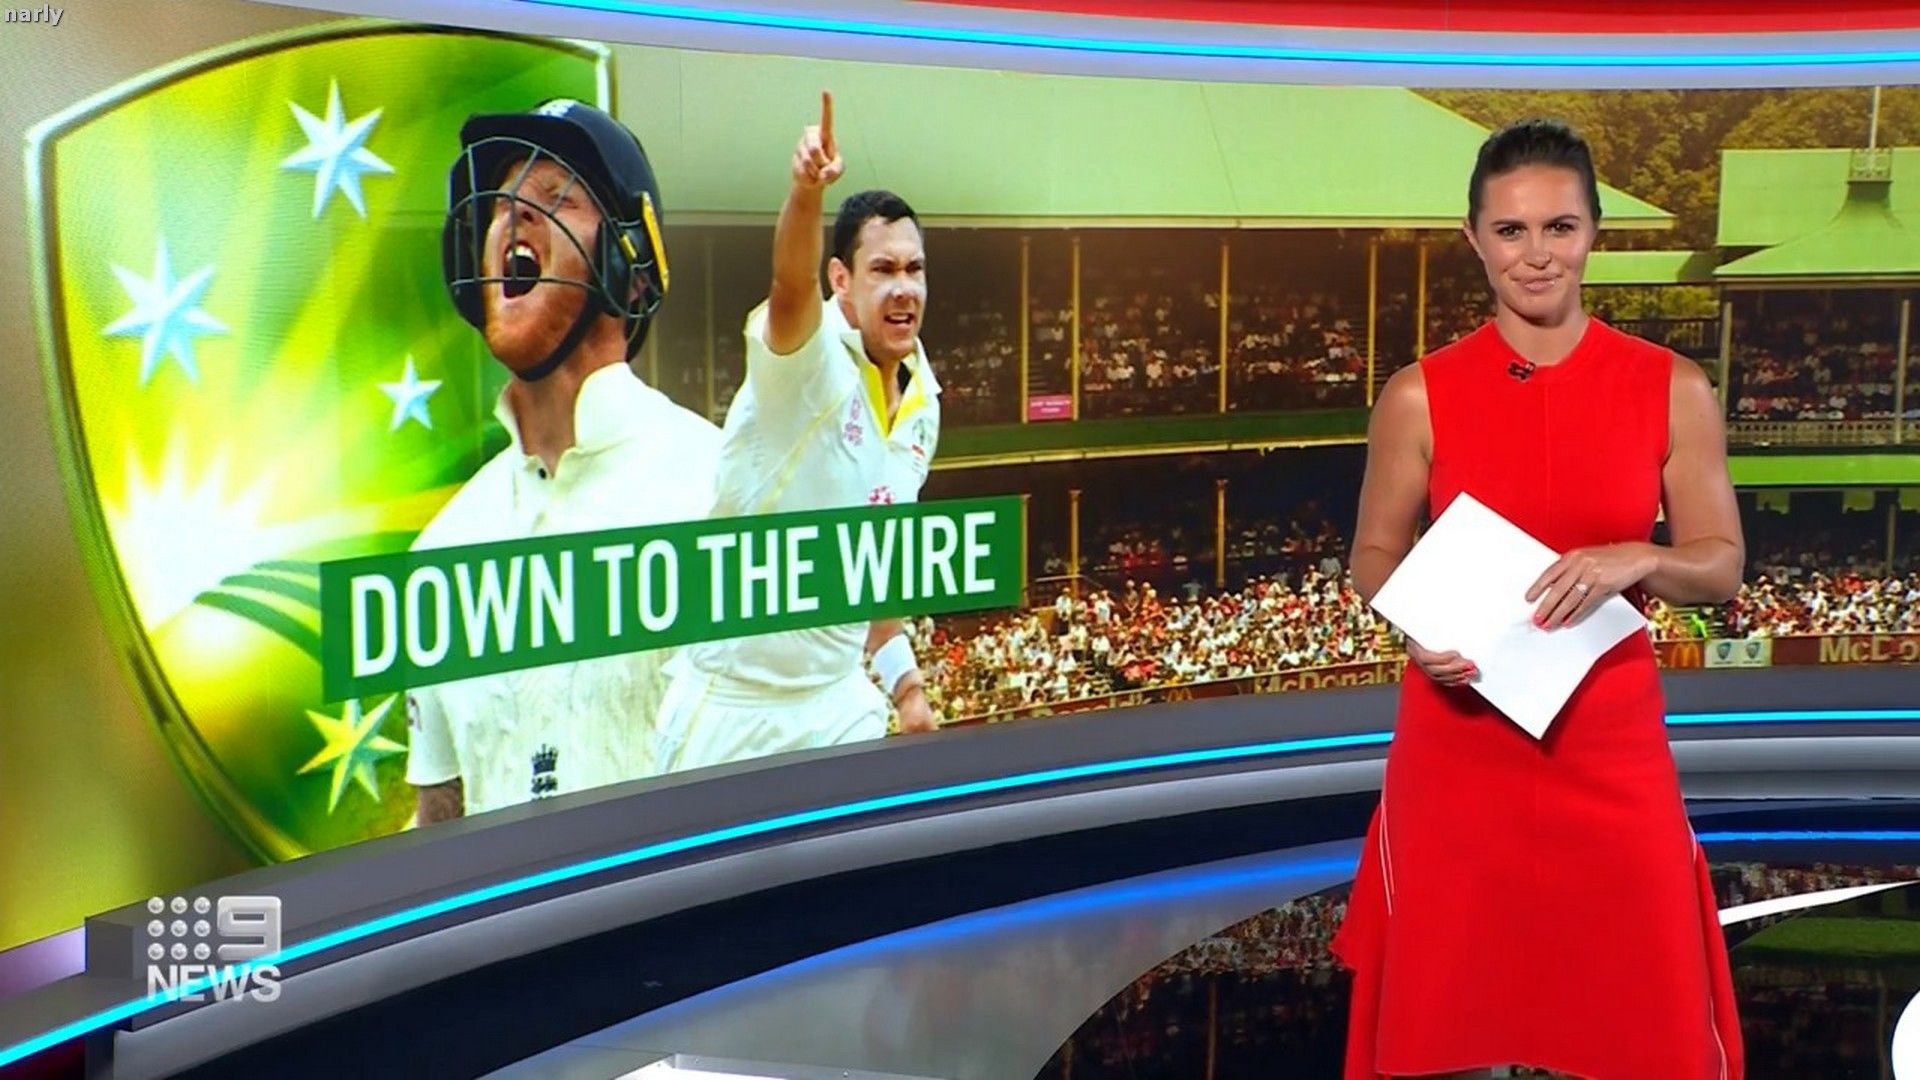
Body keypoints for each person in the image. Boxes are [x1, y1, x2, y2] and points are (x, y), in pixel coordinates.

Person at [1331, 120, 1747, 1079]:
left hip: (1610, 744)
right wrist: (1419, 625)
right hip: (1458, 742)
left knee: (1637, 1026)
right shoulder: (1418, 395)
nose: (1537, 254)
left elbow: (1720, 565)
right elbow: (1374, 554)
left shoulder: (1673, 387)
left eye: (1559, 227)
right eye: (1511, 230)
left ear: (1594, 231)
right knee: (1449, 1025)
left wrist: (1635, 559)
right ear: (1474, 239)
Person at [406, 100, 721, 822]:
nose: (514, 215)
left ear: (630, 268)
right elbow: (439, 811)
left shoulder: (724, 493)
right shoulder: (441, 549)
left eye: (556, 197)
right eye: (500, 204)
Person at [653, 92, 942, 774]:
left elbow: (873, 569)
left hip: (837, 701)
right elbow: (789, 284)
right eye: (882, 270)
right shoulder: (808, 362)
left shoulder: (922, 401)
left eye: (914, 269)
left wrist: (908, 691)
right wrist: (806, 193)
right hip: (733, 704)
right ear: (841, 280)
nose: (904, 288)